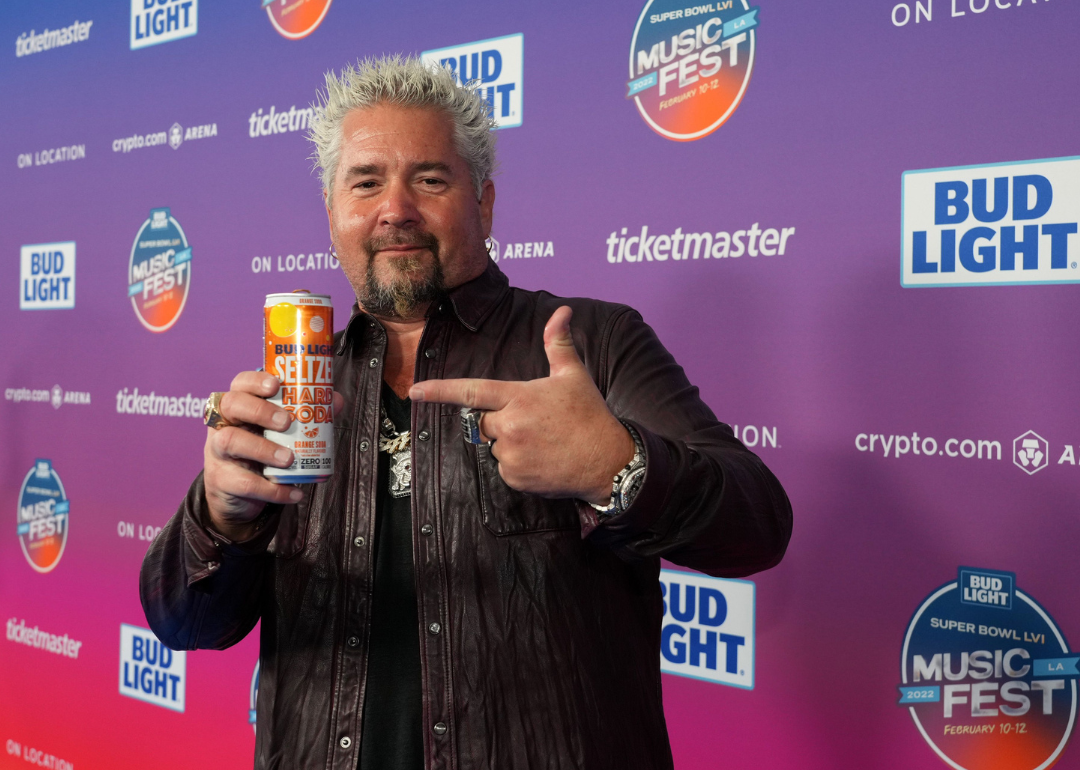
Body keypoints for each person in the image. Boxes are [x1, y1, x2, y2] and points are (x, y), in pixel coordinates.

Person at [140, 55, 792, 770]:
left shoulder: (591, 342)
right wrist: (220, 518)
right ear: (332, 211)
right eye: (366, 182)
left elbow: (757, 527)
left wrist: (618, 466)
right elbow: (185, 625)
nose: (395, 208)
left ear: (483, 202)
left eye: (429, 179)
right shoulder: (297, 385)